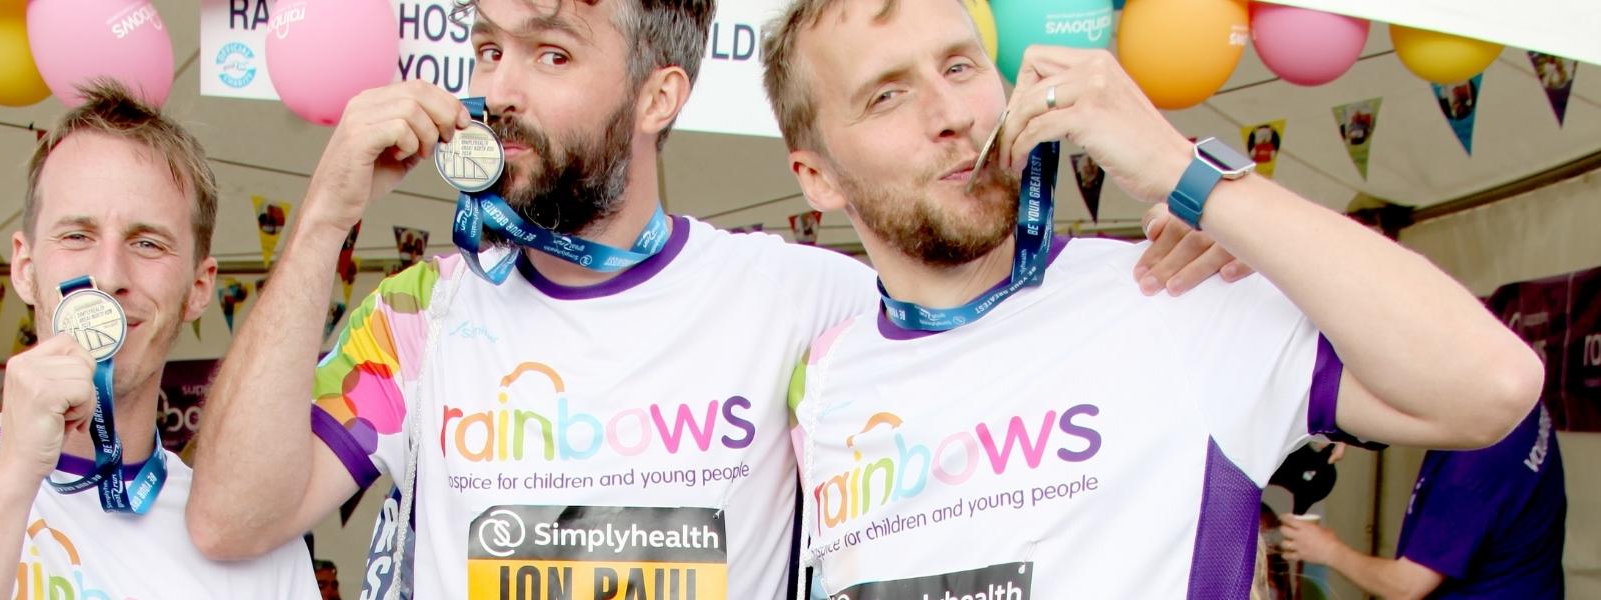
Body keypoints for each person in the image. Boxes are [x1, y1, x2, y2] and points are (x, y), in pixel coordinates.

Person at [186, 0, 1242, 596]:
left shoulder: (813, 306)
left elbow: (1005, 303)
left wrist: (1211, 198)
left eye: (551, 51)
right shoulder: (421, 314)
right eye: (488, 49)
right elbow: (233, 518)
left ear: (659, 95)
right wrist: (324, 216)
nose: (498, 88)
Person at [759, 0, 1543, 596]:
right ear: (817, 177)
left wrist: (1193, 177)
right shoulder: (827, 381)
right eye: (887, 96)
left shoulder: (1174, 290)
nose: (951, 116)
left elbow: (1491, 388)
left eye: (961, 67)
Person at [0, 82, 318, 599]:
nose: (107, 276)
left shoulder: (247, 536)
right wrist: (14, 475)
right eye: (77, 236)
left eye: (147, 243)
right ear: (24, 267)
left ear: (199, 289)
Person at [1280, 401, 1565, 598]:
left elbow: (1406, 587)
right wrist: (1358, 424)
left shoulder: (1472, 470)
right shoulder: (1514, 397)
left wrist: (1329, 551)